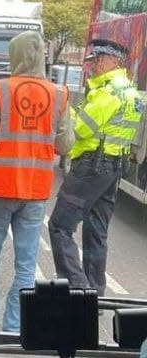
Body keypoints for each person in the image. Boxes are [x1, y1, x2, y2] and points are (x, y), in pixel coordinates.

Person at [0, 31, 73, 332]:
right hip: (36, 191)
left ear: (14, 56)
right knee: (26, 264)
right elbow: (65, 144)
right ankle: (14, 325)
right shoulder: (60, 95)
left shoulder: (0, 89)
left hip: (0, 187)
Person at [48, 38, 143, 299]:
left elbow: (80, 129)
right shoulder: (131, 93)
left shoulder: (107, 94)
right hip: (113, 167)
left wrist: (69, 115)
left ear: (108, 60)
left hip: (90, 166)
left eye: (96, 61)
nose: (92, 67)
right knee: (96, 230)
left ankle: (79, 290)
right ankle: (96, 290)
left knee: (59, 226)